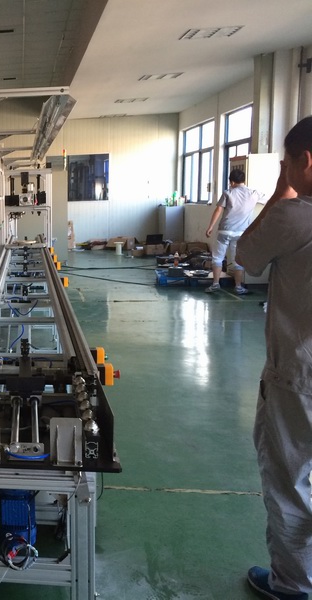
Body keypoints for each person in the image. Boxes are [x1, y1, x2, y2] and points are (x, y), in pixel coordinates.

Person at [236, 115, 312, 600]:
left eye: (288, 163)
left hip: (300, 375)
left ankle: (293, 585)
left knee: (290, 481)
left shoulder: (295, 216)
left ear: (305, 161)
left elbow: (246, 255)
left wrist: (282, 191)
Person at [204, 168, 265, 294]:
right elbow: (268, 200)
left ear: (231, 182)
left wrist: (210, 227)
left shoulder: (228, 193)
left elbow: (219, 210)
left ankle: (215, 284)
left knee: (217, 258)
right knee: (237, 260)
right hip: (241, 233)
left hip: (224, 231)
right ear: (244, 180)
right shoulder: (254, 193)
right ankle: (238, 287)